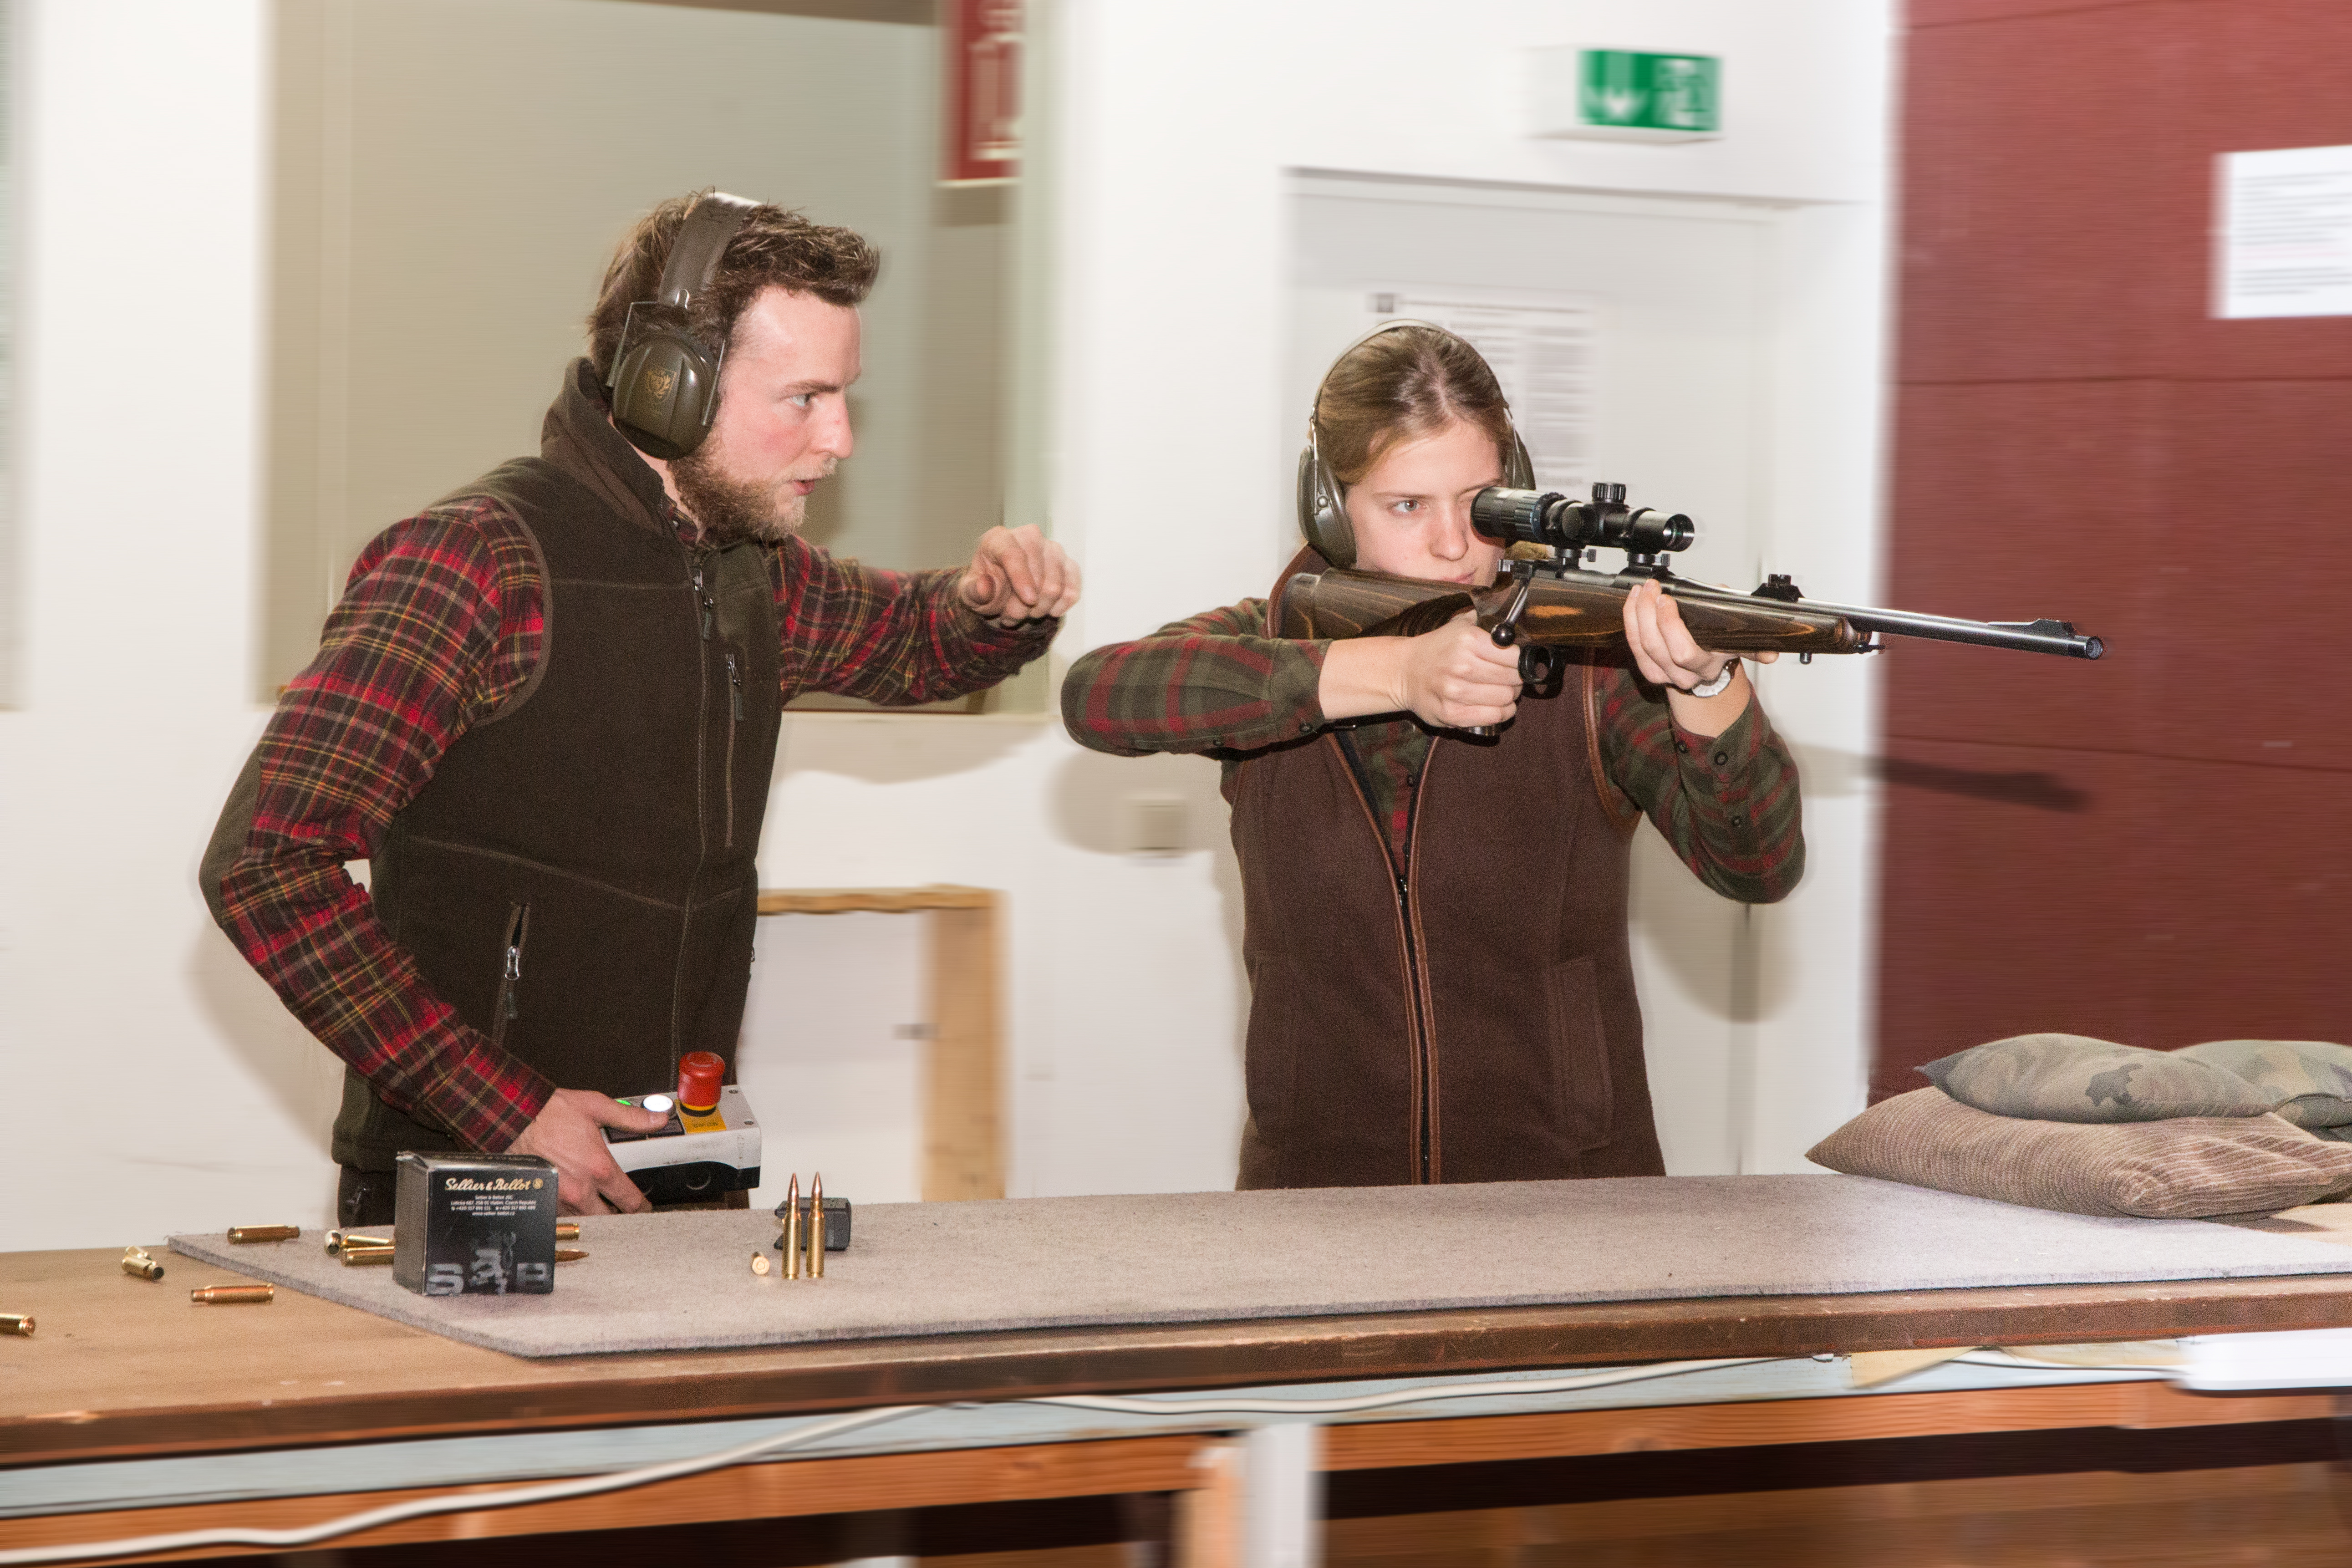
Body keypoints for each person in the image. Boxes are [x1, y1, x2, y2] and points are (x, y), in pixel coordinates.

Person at [204, 192, 1078, 1223]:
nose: (839, 438)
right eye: (804, 398)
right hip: (483, 1176)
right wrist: (508, 1109)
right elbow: (267, 862)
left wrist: (992, 607)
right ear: (670, 388)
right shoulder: (476, 563)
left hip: (676, 1168)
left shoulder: (754, 571)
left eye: (844, 396)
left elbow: (913, 639)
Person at [1061, 324, 1800, 1189]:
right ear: (1331, 510)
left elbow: (1756, 865)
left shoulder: (1592, 668)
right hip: (1318, 1187)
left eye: (1480, 502)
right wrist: (1397, 671)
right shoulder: (1270, 642)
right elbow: (1099, 696)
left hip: (1566, 1192)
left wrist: (1706, 692)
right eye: (1407, 507)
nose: (1454, 544)